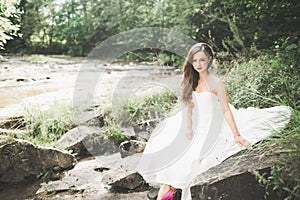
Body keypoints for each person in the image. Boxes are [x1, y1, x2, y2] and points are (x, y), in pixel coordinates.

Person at [136, 43, 291, 200]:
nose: (198, 64)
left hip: (214, 125)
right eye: (195, 60)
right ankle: (168, 191)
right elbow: (189, 108)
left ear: (209, 60)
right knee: (173, 156)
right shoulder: (191, 79)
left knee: (191, 160)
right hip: (195, 124)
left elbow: (226, 110)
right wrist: (188, 128)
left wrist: (237, 135)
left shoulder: (216, 83)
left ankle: (172, 190)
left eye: (202, 60)